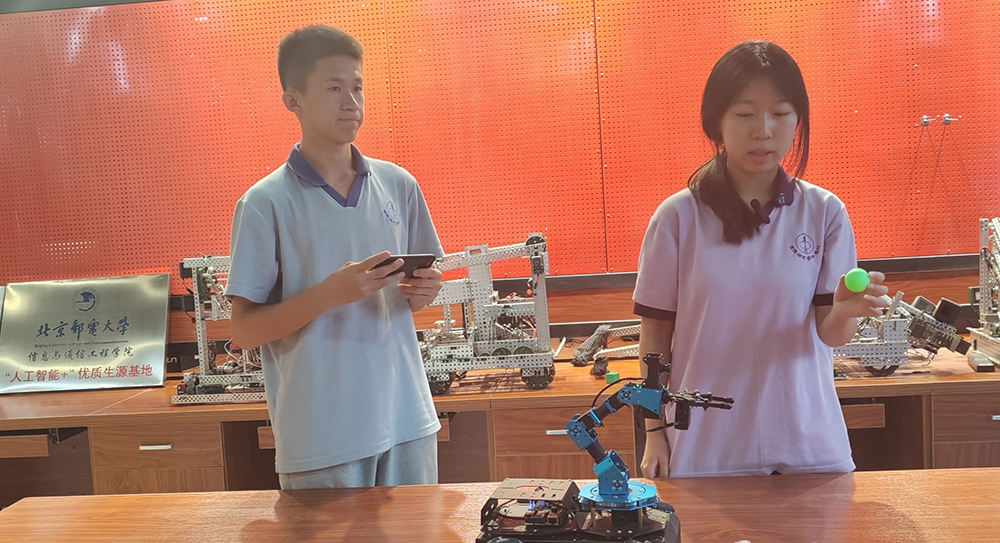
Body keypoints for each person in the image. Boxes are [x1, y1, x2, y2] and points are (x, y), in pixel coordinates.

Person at [633, 41, 889, 478]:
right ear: (716, 121)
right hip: (705, 448)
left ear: (797, 120)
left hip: (808, 445)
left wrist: (845, 313)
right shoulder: (677, 217)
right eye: (745, 114)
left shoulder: (825, 212)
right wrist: (654, 431)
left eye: (781, 113)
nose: (764, 130)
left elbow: (830, 334)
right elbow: (655, 335)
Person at [225, 25, 445, 489]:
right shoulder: (264, 203)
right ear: (293, 100)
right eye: (333, 88)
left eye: (357, 87)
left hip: (407, 419)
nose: (351, 102)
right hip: (322, 438)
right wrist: (329, 294)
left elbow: (414, 297)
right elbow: (243, 331)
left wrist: (425, 291)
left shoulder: (399, 185)